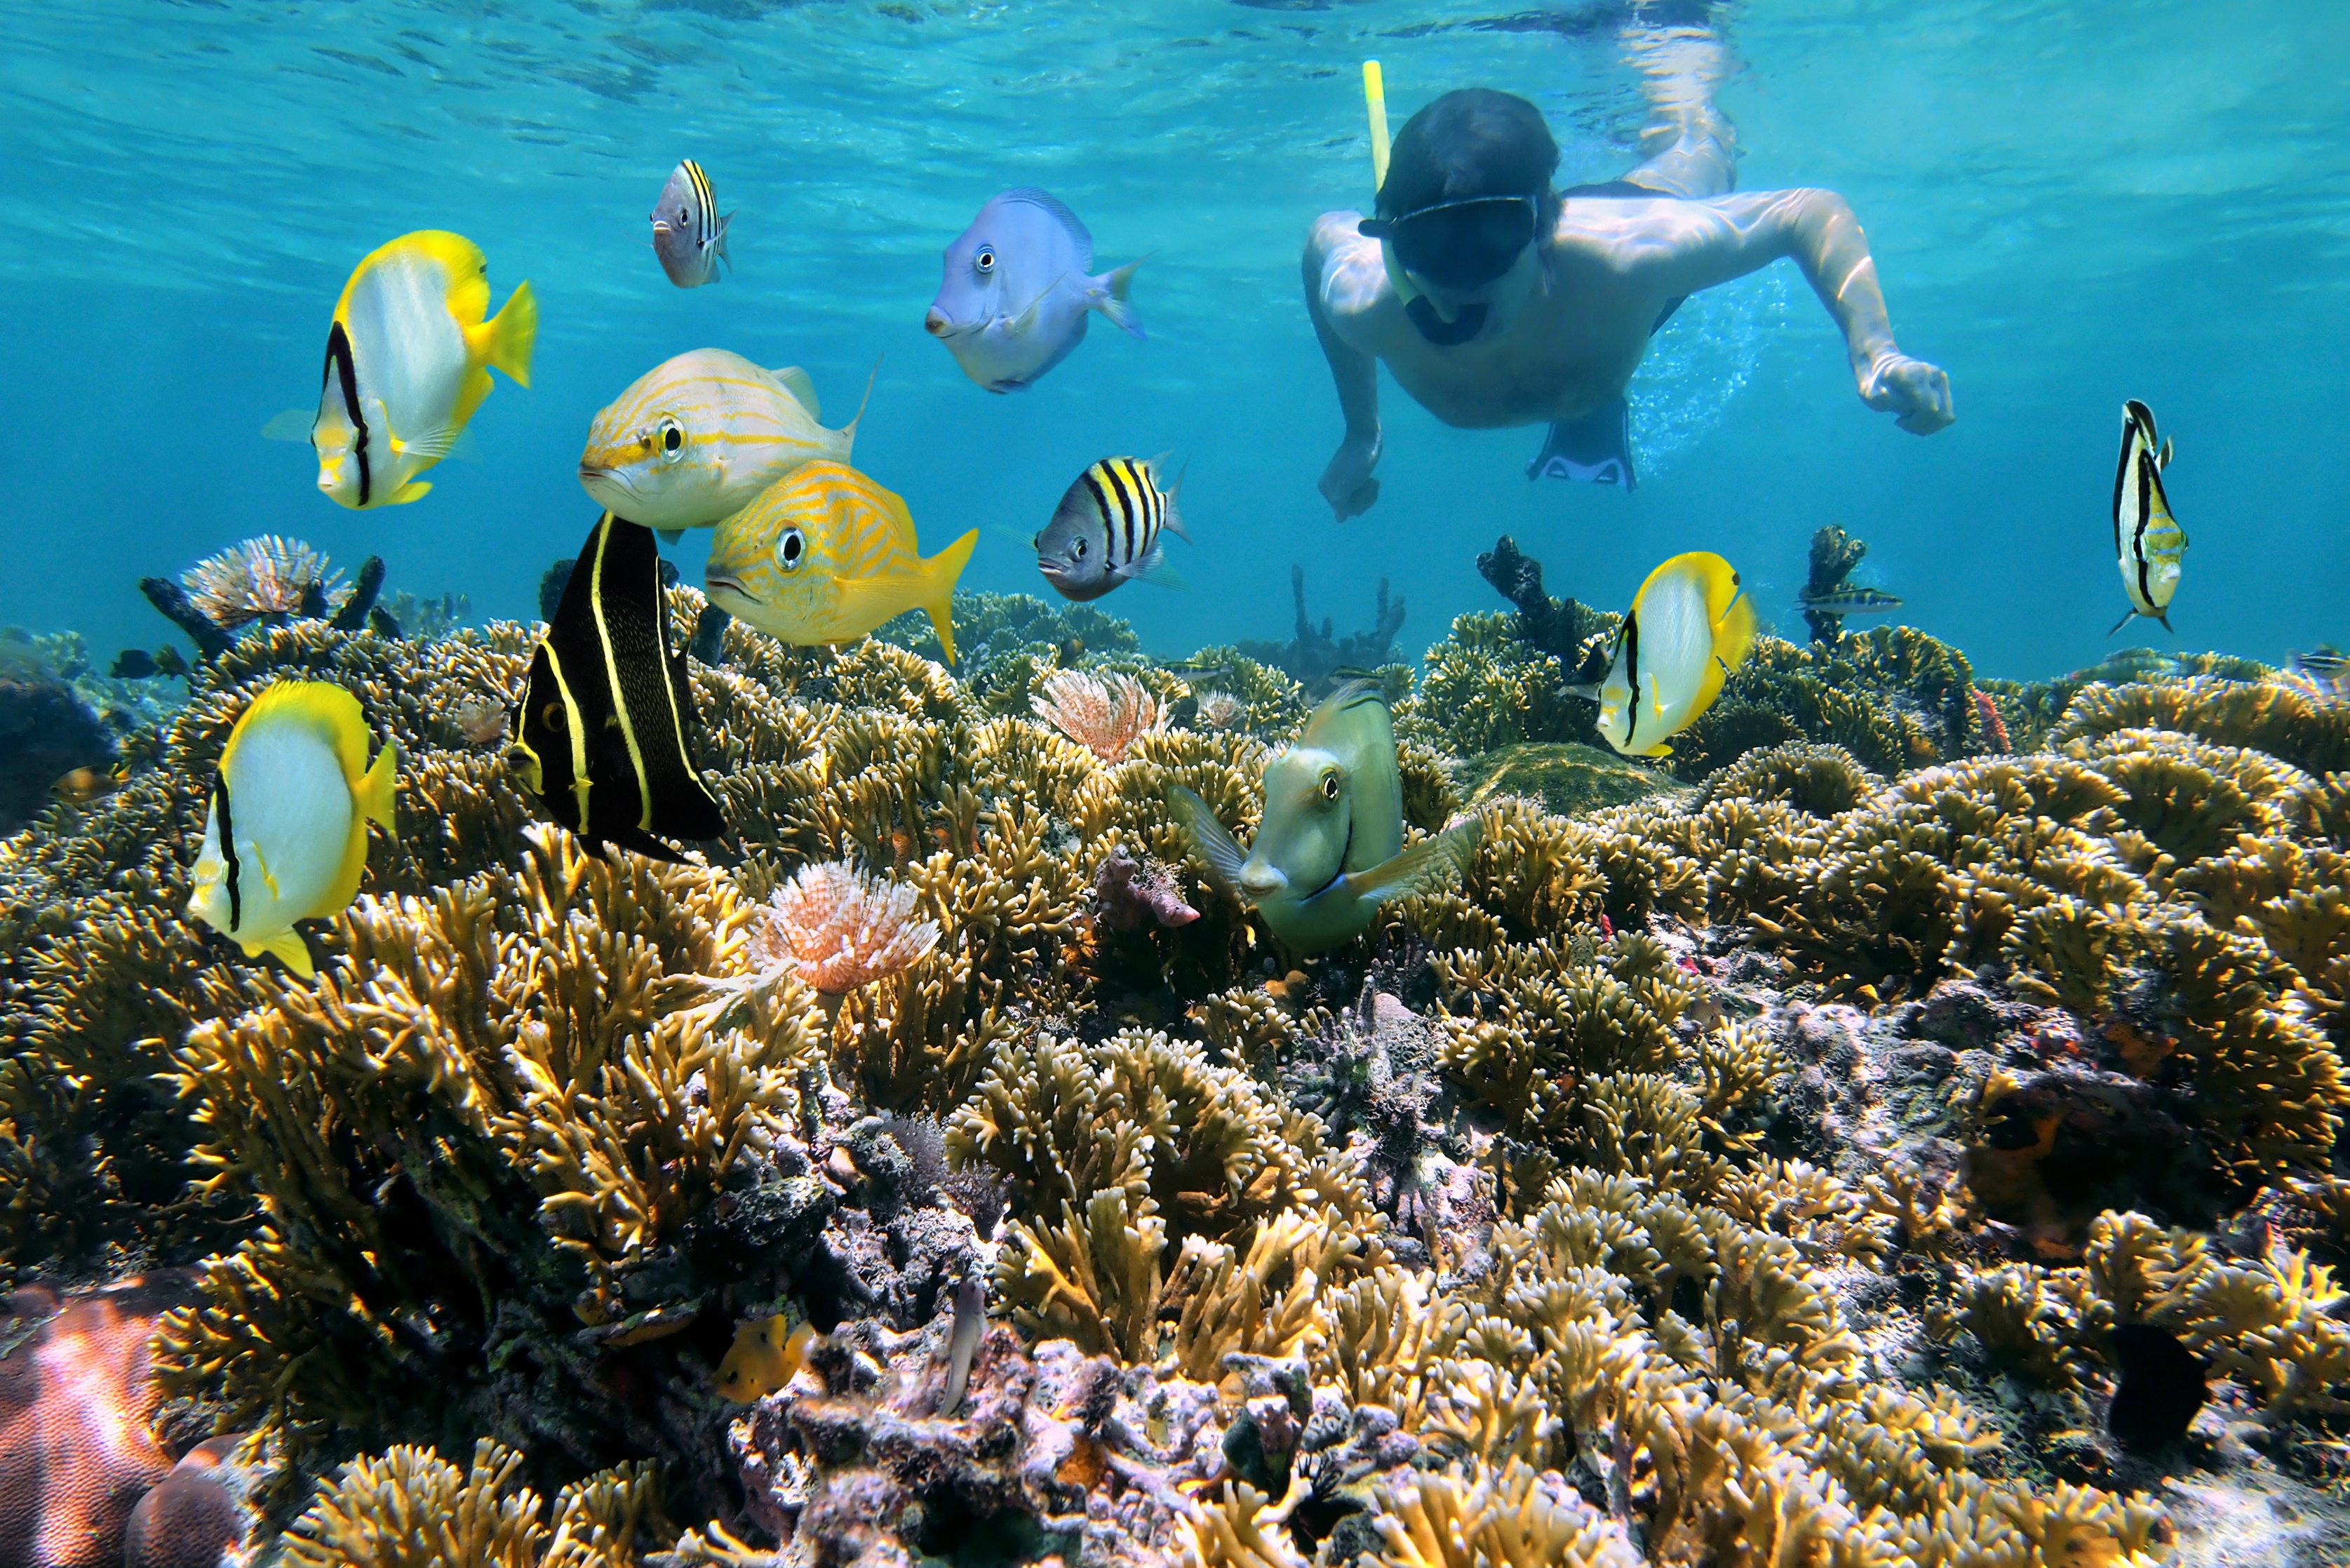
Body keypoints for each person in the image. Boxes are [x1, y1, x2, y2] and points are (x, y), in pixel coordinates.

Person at [1305, 46, 1952, 513]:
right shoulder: (1368, 303)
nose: (1462, 278)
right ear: (1395, 244)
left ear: (1539, 222)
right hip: (1579, 305)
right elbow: (1322, 242)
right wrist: (1361, 430)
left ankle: (1684, 87)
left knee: (1701, 152)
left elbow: (1806, 210)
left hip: (1610, 252)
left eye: (1493, 239)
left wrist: (1876, 351)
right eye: (1430, 249)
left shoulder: (1632, 258)